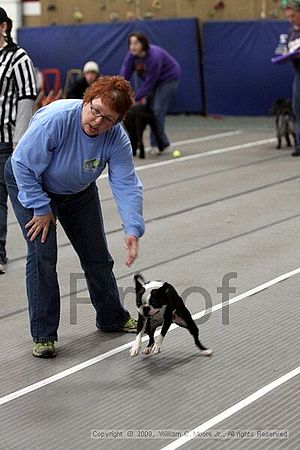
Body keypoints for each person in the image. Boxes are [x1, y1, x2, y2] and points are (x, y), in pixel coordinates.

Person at [5, 76, 144, 358]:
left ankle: (111, 317)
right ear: (86, 101)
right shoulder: (55, 120)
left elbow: (126, 183)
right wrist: (41, 208)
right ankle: (43, 335)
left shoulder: (116, 139)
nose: (97, 122)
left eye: (107, 119)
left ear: (117, 121)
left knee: (97, 257)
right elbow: (22, 165)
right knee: (42, 255)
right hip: (31, 183)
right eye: (94, 111)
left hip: (79, 192)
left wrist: (132, 228)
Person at [0, 7, 37, 274]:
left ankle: (38, 250)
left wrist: (19, 140)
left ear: (2, 27)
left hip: (7, 140)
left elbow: (27, 98)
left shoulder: (18, 57)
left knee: (16, 200)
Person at [120, 32, 181, 156]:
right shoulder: (131, 56)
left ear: (143, 44)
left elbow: (150, 82)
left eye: (136, 43)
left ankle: (158, 145)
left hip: (168, 79)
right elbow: (124, 76)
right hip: (153, 81)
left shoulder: (154, 57)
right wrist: (120, 91)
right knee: (149, 110)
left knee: (157, 110)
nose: (132, 46)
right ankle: (162, 143)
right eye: (131, 43)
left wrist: (136, 98)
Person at [283, 0, 300, 156]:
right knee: (298, 111)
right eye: (288, 17)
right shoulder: (291, 32)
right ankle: (299, 145)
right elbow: (286, 49)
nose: (291, 19)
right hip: (299, 75)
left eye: (293, 16)